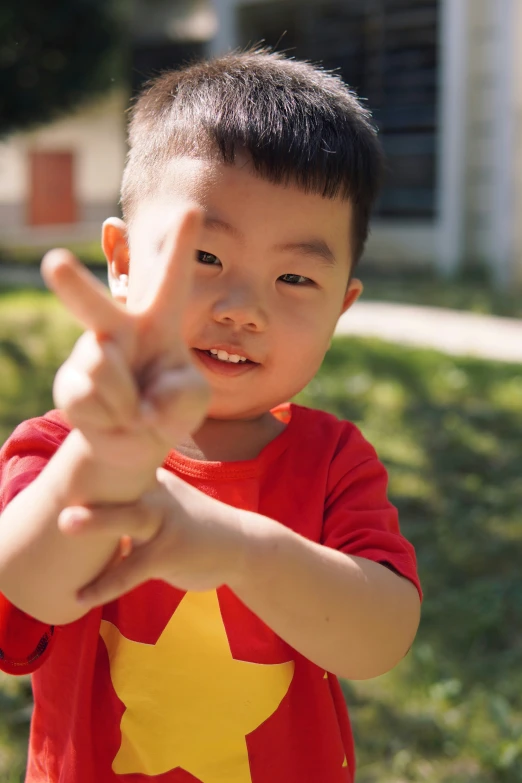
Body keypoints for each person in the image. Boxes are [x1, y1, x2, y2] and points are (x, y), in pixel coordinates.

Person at [0, 50, 421, 783]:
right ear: (124, 260)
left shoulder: (332, 460)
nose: (243, 309)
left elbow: (379, 639)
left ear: (340, 308)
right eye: (204, 256)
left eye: (295, 277)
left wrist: (240, 548)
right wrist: (107, 456)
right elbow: (26, 588)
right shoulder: (59, 447)